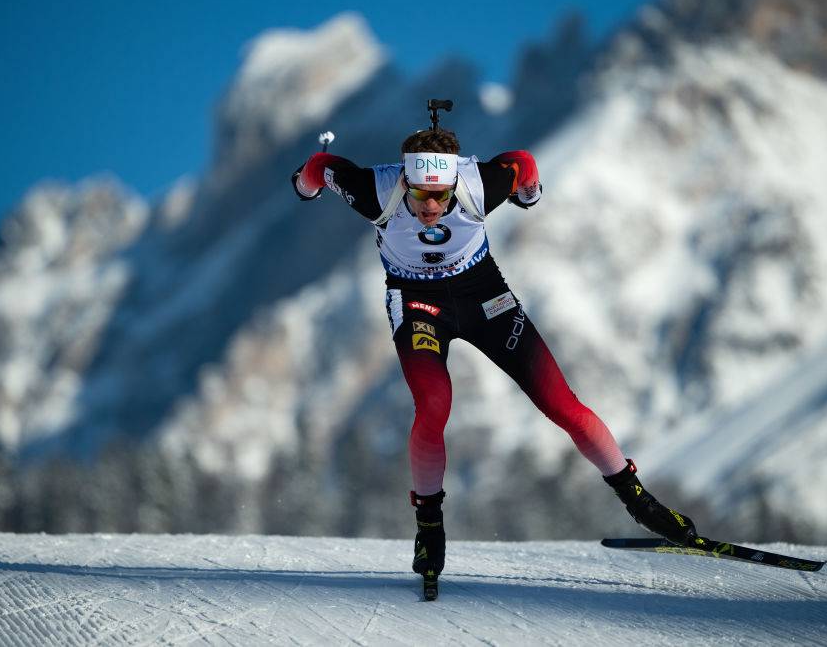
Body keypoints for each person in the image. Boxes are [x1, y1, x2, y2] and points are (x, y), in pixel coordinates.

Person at [291, 102, 697, 588]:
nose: (431, 207)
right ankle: (429, 528)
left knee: (561, 404)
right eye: (420, 194)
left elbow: (523, 161)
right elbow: (323, 166)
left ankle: (641, 503)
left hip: (483, 295)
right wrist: (306, 182)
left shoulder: (478, 184)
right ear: (404, 181)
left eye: (441, 196)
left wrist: (529, 191)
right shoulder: (376, 189)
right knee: (434, 406)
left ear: (453, 183)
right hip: (418, 302)